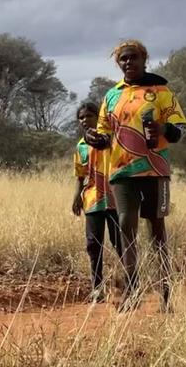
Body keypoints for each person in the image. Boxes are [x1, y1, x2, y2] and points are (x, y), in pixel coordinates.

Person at [84, 40, 186, 311]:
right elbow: (105, 134)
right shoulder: (111, 96)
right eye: (123, 60)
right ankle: (132, 291)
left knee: (157, 230)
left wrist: (163, 128)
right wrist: (94, 138)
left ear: (144, 59)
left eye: (132, 58)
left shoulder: (162, 91)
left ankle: (166, 295)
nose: (128, 63)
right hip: (121, 170)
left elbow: (179, 131)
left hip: (156, 170)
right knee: (126, 226)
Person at [72, 103, 122, 302]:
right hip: (92, 199)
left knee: (121, 243)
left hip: (116, 198)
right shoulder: (81, 146)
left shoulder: (112, 140)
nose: (85, 120)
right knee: (93, 245)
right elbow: (79, 175)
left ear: (98, 117)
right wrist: (76, 196)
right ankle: (97, 288)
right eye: (81, 117)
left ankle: (131, 283)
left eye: (89, 116)